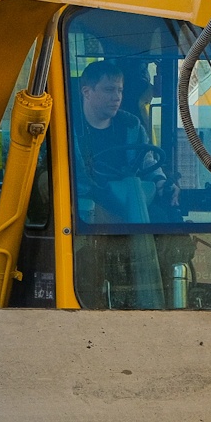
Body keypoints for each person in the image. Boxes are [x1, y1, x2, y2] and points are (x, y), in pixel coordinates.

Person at [75, 59, 165, 306]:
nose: (116, 97)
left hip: (126, 201)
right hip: (86, 206)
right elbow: (73, 177)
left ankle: (164, 286)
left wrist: (161, 182)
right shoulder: (70, 128)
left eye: (120, 90)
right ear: (87, 91)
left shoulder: (131, 126)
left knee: (165, 215)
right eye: (108, 90)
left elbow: (147, 162)